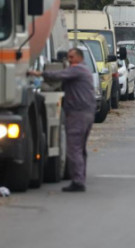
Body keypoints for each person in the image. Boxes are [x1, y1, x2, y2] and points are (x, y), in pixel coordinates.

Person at [28, 48, 96, 192]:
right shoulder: (84, 70)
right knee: (80, 148)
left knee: (74, 148)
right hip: (86, 113)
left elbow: (58, 75)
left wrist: (38, 73)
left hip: (78, 113)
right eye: (68, 57)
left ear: (79, 57)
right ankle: (80, 177)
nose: (69, 60)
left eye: (71, 57)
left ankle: (78, 181)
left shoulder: (77, 69)